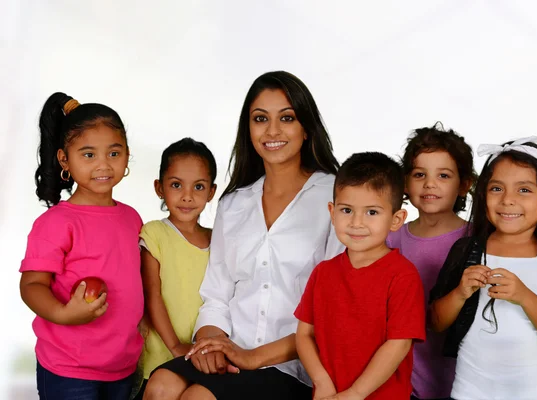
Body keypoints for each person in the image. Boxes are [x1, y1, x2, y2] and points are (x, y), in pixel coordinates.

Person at [143, 70, 343, 400]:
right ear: (248, 129)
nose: (273, 130)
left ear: (306, 127)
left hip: (292, 363)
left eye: (287, 118)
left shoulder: (337, 197)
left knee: (199, 398)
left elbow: (333, 309)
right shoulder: (233, 204)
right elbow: (217, 294)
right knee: (161, 386)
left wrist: (251, 357)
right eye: (260, 118)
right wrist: (210, 344)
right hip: (229, 347)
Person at [430, 137, 537, 399]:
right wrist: (460, 292)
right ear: (483, 195)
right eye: (496, 189)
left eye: (524, 190)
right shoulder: (467, 250)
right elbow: (435, 323)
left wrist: (524, 296)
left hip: (534, 391)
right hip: (469, 390)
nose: (508, 200)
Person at [19, 93, 143, 399]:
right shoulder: (57, 223)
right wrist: (63, 314)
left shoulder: (131, 218)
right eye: (88, 155)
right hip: (68, 368)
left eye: (114, 154)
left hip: (123, 366)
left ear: (127, 154)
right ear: (65, 159)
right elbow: (32, 284)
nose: (103, 165)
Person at [296, 152, 426, 400]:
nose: (356, 222)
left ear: (396, 219)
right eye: (347, 210)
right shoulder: (322, 272)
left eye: (372, 212)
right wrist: (321, 382)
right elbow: (304, 334)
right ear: (332, 212)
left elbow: (398, 343)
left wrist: (356, 394)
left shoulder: (403, 275)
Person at [386, 123, 476, 400]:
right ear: (404, 182)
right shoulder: (391, 238)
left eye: (444, 175)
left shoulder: (478, 240)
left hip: (465, 383)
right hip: (405, 382)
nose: (430, 184)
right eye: (419, 174)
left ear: (464, 185)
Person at [134, 138, 219, 398]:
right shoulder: (155, 233)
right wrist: (174, 345)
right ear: (159, 188)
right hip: (163, 352)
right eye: (176, 185)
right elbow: (152, 293)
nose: (187, 196)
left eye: (198, 187)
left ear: (211, 192)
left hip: (204, 352)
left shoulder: (219, 240)